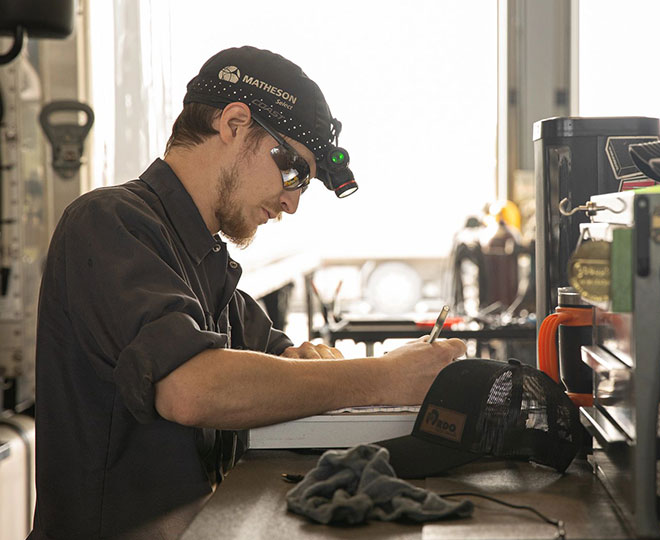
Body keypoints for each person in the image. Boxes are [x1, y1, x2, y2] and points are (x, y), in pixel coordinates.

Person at [29, 46, 466, 539]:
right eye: (295, 171)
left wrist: (313, 362)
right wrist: (385, 377)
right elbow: (192, 389)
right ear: (235, 123)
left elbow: (278, 362)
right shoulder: (109, 223)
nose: (292, 202)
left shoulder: (208, 266)